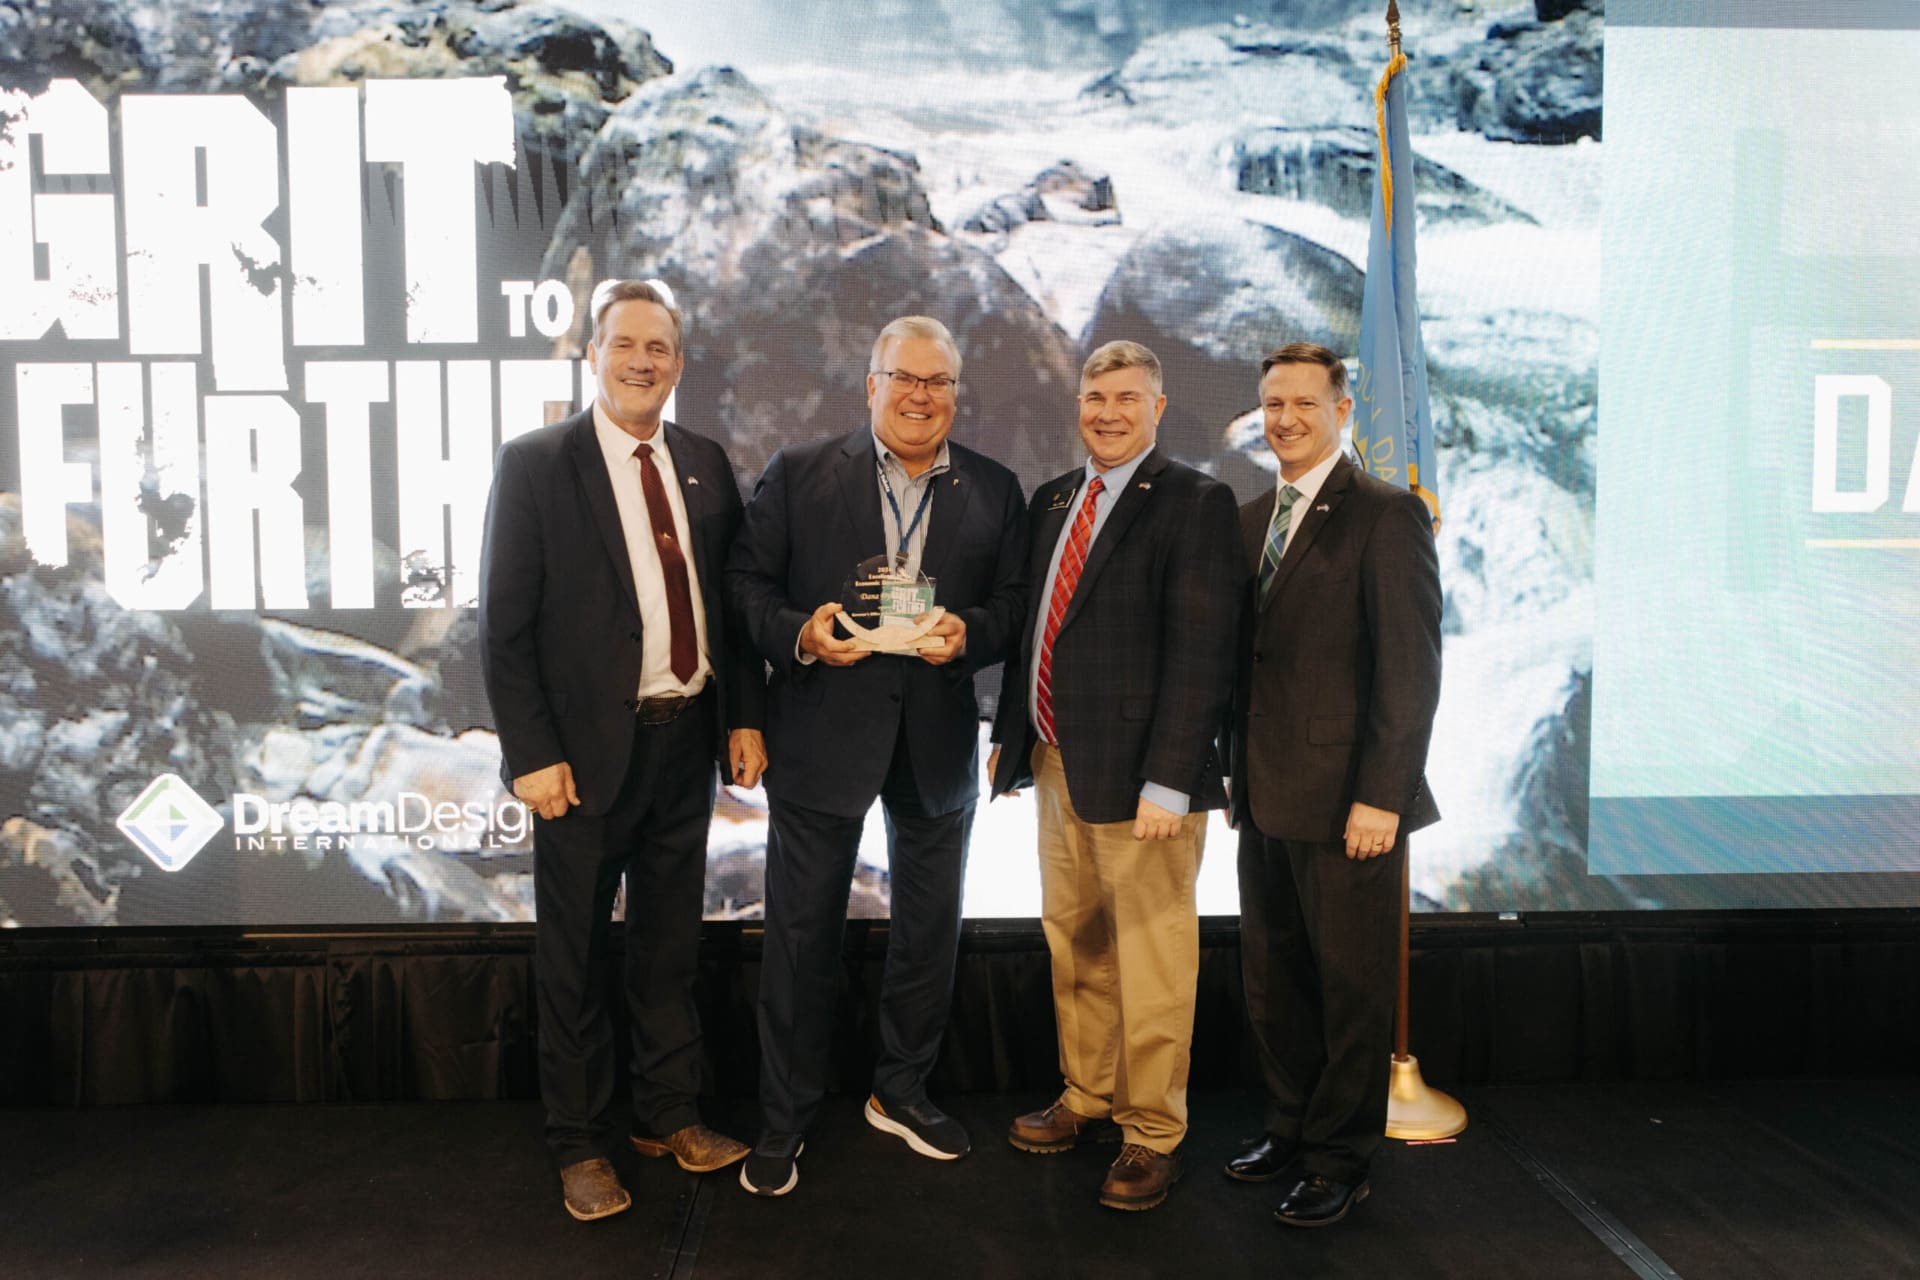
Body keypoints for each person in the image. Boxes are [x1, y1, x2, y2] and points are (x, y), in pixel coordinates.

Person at [478, 280, 767, 1222]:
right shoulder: (536, 464)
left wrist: (743, 719)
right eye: (626, 345)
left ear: (678, 364)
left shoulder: (704, 461)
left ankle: (667, 1115)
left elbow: (727, 609)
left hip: (685, 742)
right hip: (580, 759)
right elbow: (504, 629)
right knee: (573, 962)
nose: (643, 362)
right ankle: (578, 1145)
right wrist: (531, 753)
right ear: (593, 355)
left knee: (667, 949)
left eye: (659, 348)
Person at [727, 315, 1026, 1197]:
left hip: (936, 738)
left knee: (928, 934)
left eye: (938, 382)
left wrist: (970, 632)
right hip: (822, 731)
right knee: (799, 938)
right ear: (871, 385)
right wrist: (802, 634)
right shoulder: (799, 472)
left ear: (955, 394)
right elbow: (745, 584)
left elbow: (1016, 602)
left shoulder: (995, 488)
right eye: (905, 378)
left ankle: (901, 1091)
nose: (920, 396)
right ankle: (784, 1117)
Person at [988, 340, 1242, 1211]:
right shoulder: (1056, 498)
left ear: (1158, 408)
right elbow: (1038, 628)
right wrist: (1013, 737)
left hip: (1144, 784)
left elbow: (1203, 654)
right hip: (1057, 763)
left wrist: (1172, 780)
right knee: (1077, 942)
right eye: (1095, 397)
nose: (1107, 413)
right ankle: (1087, 1094)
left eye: (1127, 398)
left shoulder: (1195, 501)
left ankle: (1151, 1131)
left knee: (1152, 957)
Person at [1225, 341, 1442, 1228]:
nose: (1285, 420)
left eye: (1304, 404)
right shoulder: (1249, 518)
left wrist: (1383, 795)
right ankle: (1290, 1126)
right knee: (1275, 983)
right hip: (1262, 794)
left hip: (1352, 803)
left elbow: (1411, 671)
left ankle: (1341, 1160)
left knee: (1352, 991)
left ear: (1343, 411)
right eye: (1273, 404)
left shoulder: (1388, 516)